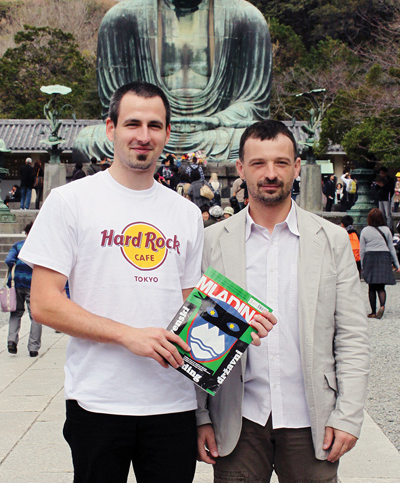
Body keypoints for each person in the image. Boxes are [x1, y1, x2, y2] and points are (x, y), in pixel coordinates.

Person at [20, 82, 206, 483]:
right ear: (110, 128)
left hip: (171, 403)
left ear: (167, 134)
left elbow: (189, 306)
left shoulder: (186, 213)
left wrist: (235, 328)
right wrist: (127, 335)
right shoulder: (70, 201)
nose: (143, 135)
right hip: (98, 399)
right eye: (132, 123)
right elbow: (45, 303)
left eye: (154, 125)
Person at [197, 119, 369, 483]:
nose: (270, 173)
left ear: (296, 167)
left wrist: (348, 415)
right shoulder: (213, 242)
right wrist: (201, 417)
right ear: (241, 169)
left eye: (280, 162)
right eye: (258, 163)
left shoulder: (331, 241)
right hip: (238, 419)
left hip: (311, 418)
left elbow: (352, 335)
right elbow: (196, 338)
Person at [73, 0, 272, 162]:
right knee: (88, 141)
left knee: (259, 141)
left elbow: (253, 105)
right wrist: (154, 123)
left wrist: (215, 120)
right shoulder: (122, 19)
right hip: (149, 132)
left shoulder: (246, 18)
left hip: (215, 133)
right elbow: (116, 106)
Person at [6, 222, 42, 357]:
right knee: (35, 316)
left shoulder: (18, 245)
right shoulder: (40, 248)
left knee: (15, 313)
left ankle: (11, 341)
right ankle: (33, 348)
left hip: (16, 283)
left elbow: (8, 260)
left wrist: (17, 265)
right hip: (33, 285)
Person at [360, 208, 400, 319]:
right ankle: (382, 306)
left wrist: (362, 265)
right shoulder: (386, 230)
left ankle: (373, 311)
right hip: (383, 257)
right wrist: (397, 264)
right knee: (381, 287)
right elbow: (391, 248)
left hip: (370, 257)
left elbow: (362, 250)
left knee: (371, 287)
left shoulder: (365, 231)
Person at [376, 167, 395, 231]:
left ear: (386, 173)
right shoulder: (381, 179)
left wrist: (383, 186)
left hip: (386, 198)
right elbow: (377, 188)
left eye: (382, 173)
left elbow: (390, 189)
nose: (381, 175)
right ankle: (383, 226)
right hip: (381, 198)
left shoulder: (390, 180)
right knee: (381, 214)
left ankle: (389, 227)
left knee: (388, 214)